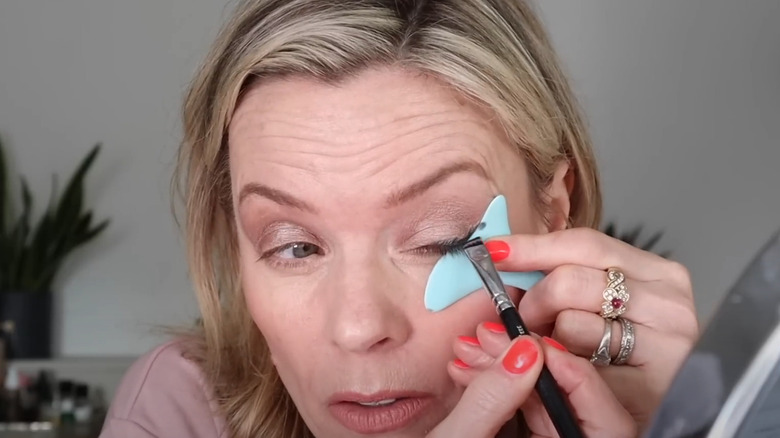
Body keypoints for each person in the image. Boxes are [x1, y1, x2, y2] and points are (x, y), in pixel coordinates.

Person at [99, 0, 699, 437]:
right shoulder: (177, 412)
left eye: (442, 241)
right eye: (296, 247)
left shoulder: (661, 408)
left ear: (554, 211)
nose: (359, 327)